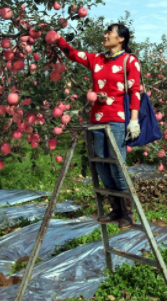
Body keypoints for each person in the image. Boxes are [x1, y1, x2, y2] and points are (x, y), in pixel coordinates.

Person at [54, 23, 141, 229]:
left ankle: (128, 213)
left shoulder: (130, 60)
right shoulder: (97, 59)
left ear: (121, 39)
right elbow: (73, 54)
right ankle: (115, 210)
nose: (105, 35)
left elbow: (134, 91)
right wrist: (57, 39)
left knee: (117, 166)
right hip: (97, 120)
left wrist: (134, 120)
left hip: (117, 120)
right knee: (101, 165)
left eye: (109, 33)